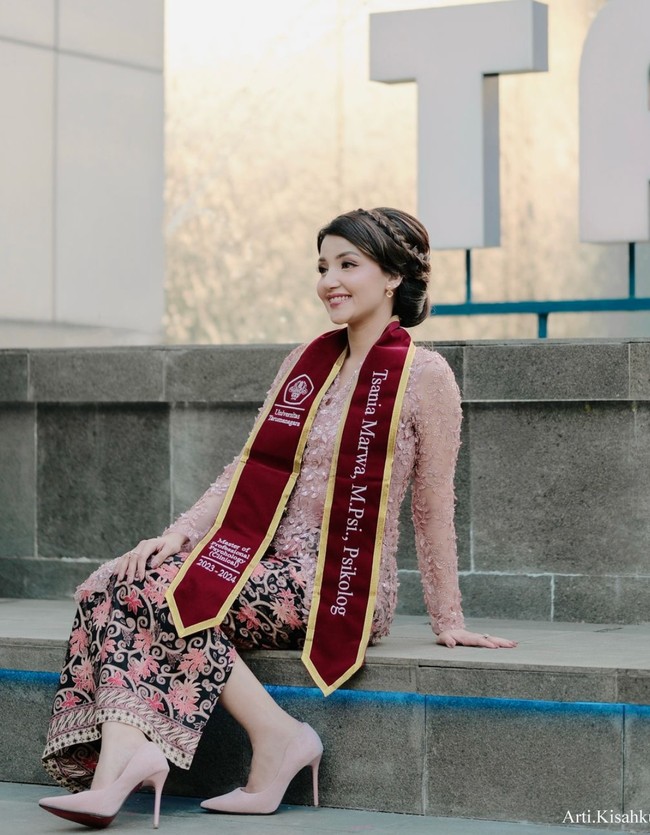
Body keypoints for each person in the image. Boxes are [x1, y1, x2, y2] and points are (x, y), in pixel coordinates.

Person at [39, 207, 517, 828]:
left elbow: (432, 505)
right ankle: (195, 751)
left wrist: (448, 618)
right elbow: (247, 468)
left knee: (159, 592)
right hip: (257, 562)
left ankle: (157, 758)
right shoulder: (305, 362)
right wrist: (178, 534)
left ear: (393, 276)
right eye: (323, 266)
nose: (329, 281)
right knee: (117, 580)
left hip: (339, 581)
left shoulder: (426, 376)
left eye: (349, 264)